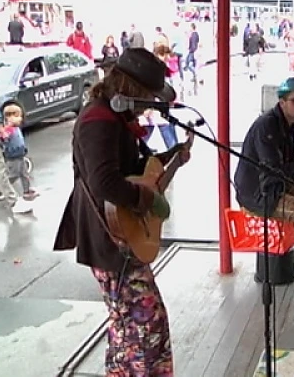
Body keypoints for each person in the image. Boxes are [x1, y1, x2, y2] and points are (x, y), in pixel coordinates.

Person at [53, 48, 191, 376]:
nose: (148, 105)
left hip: (117, 239)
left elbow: (132, 169)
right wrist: (147, 201)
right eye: (146, 96)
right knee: (145, 322)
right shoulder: (96, 120)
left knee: (126, 324)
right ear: (130, 89)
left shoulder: (114, 118)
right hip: (108, 239)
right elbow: (104, 182)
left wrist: (173, 157)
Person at [234, 77, 294, 305]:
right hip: (259, 194)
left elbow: (290, 163)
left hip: (273, 186)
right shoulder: (267, 126)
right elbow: (275, 170)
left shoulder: (287, 126)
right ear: (282, 102)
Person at [0, 105, 38, 200]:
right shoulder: (8, 129)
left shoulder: (16, 128)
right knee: (13, 175)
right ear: (8, 117)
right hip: (13, 157)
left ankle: (27, 190)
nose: (20, 119)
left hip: (20, 155)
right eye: (17, 116)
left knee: (24, 174)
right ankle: (3, 189)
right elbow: (3, 138)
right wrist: (3, 135)